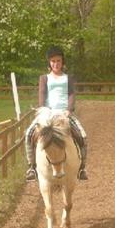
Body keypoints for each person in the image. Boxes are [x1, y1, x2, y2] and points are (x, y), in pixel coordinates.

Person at [25, 46, 88, 182]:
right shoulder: (44, 78)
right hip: (48, 112)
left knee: (82, 135)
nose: (56, 64)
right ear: (49, 63)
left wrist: (69, 110)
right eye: (53, 61)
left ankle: (82, 167)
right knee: (29, 133)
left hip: (64, 113)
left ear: (62, 62)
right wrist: (43, 109)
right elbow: (42, 94)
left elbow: (71, 94)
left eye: (58, 61)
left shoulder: (68, 78)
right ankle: (32, 167)